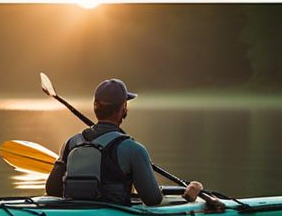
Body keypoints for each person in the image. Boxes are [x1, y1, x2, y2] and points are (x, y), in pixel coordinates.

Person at [45, 78, 205, 206]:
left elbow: (52, 190)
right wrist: (189, 195)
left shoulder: (70, 143)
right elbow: (152, 199)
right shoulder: (133, 149)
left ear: (96, 108)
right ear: (123, 108)